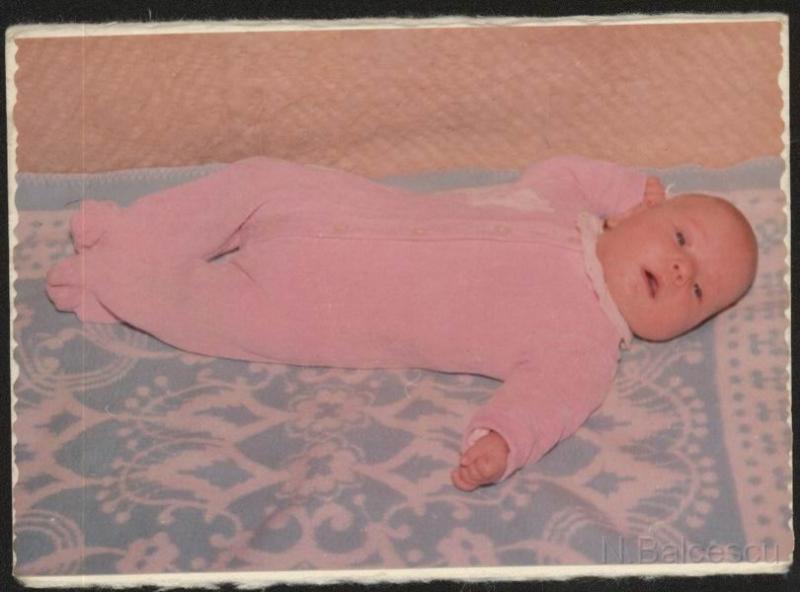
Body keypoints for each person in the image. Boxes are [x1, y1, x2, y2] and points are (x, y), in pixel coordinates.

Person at [45, 155, 758, 491]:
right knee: (256, 180)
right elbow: (565, 168)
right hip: (336, 206)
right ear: (639, 215)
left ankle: (114, 282)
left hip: (322, 309)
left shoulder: (588, 346)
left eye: (699, 292)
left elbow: (548, 404)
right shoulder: (561, 204)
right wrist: (625, 183)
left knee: (214, 313)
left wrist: (503, 442)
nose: (681, 271)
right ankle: (137, 234)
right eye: (682, 238)